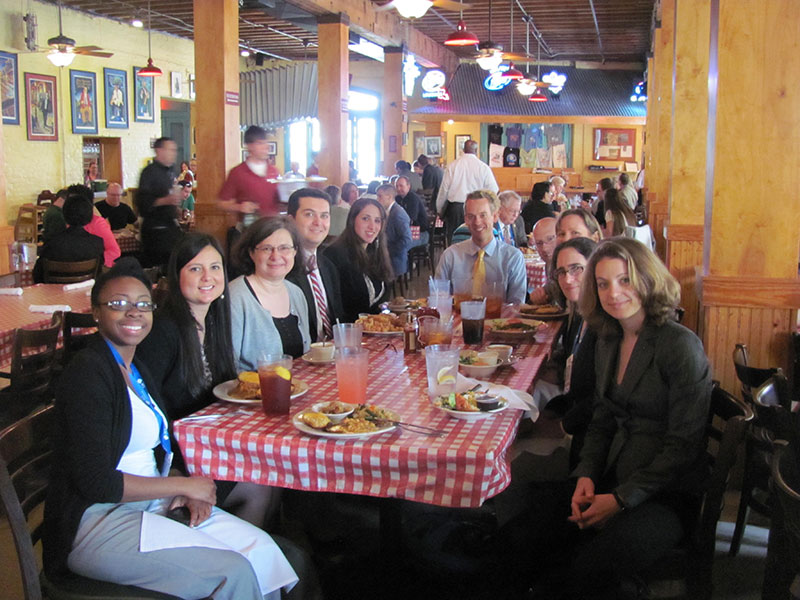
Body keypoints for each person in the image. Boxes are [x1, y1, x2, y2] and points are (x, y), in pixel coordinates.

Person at [42, 258, 299, 599]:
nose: (133, 312)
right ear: (95, 312)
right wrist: (184, 484)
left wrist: (178, 486)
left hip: (150, 504)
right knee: (232, 572)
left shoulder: (135, 369)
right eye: (118, 304)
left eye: (142, 304)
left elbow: (155, 448)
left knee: (261, 549)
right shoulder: (88, 374)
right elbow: (95, 481)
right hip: (96, 521)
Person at [507, 238, 711, 599]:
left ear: (647, 279)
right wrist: (585, 474)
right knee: (523, 529)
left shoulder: (680, 345)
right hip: (609, 474)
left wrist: (619, 499)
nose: (613, 292)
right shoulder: (609, 337)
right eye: (603, 284)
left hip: (664, 494)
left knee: (588, 568)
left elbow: (682, 448)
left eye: (624, 280)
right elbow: (602, 417)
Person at [531, 238, 598, 445]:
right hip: (572, 414)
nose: (568, 279)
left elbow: (598, 399)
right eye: (561, 272)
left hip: (588, 438)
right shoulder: (580, 313)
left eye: (577, 269)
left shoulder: (603, 325)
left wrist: (559, 426)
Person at [229, 217, 311, 370]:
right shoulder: (236, 297)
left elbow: (305, 355)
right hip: (250, 391)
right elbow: (228, 366)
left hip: (295, 388)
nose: (276, 256)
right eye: (266, 248)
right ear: (251, 253)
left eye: (284, 248)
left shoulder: (296, 293)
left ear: (295, 252)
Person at [435, 190, 526, 305]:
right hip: (459, 321)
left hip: (499, 321)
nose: (477, 222)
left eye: (483, 215)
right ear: (465, 219)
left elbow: (516, 306)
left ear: (495, 216)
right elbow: (438, 300)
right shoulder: (450, 256)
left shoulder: (513, 258)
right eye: (471, 216)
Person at [286, 188, 345, 343]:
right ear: (291, 220)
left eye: (324, 216)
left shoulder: (329, 267)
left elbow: (339, 319)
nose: (318, 222)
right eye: (309, 214)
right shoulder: (283, 269)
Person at [323, 197, 393, 322]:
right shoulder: (335, 255)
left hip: (374, 333)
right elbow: (337, 309)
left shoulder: (375, 252)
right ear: (352, 220)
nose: (372, 226)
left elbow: (382, 302)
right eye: (365, 218)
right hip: (350, 334)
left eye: (377, 221)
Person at [436, 140, 499, 243]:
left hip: (455, 209)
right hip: (477, 210)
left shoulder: (453, 166)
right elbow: (493, 191)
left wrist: (439, 210)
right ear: (476, 150)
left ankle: (455, 259)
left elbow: (444, 190)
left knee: (455, 242)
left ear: (463, 150)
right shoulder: (483, 167)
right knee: (475, 240)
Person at [33, 193, 104, 282]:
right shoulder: (97, 243)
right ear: (89, 216)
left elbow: (38, 275)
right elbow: (98, 275)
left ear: (64, 214)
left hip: (54, 293)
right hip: (85, 292)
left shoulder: (52, 243)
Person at [136, 137, 183, 268]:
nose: (174, 153)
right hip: (155, 231)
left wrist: (175, 207)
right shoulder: (149, 173)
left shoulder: (171, 172)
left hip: (170, 228)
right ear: (159, 150)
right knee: (156, 268)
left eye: (175, 150)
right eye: (170, 150)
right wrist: (165, 200)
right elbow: (142, 203)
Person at [218, 126, 281, 222]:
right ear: (249, 146)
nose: (266, 147)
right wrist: (239, 207)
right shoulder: (237, 172)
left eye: (266, 142)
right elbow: (222, 203)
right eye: (260, 143)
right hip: (250, 229)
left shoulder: (274, 171)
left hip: (274, 227)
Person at [376, 183, 412, 278]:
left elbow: (407, 240)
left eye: (380, 196)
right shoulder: (386, 211)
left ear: (389, 197)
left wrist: (387, 251)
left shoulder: (398, 213)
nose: (377, 199)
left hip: (394, 259)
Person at [528, 217, 558, 305]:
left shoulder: (568, 264)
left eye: (550, 239)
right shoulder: (549, 264)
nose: (544, 248)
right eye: (539, 243)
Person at [395, 175, 429, 248]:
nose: (398, 188)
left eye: (401, 186)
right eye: (396, 186)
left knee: (401, 245)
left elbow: (411, 219)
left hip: (420, 233)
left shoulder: (413, 198)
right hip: (406, 232)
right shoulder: (397, 198)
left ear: (408, 186)